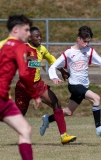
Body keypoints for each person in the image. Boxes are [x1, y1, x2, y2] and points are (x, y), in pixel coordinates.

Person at [41, 25, 101, 137]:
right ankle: (98, 128)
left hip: (83, 86)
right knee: (96, 98)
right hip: (74, 85)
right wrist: (54, 77)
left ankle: (48, 119)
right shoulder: (69, 53)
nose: (86, 44)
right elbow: (53, 65)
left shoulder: (90, 51)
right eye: (84, 41)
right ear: (78, 38)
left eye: (88, 42)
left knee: (68, 112)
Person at [15, 26, 76, 144]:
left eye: (40, 36)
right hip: (23, 87)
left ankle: (64, 136)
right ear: (29, 38)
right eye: (36, 36)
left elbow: (52, 60)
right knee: (19, 115)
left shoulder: (42, 49)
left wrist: (62, 71)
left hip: (38, 85)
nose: (39, 38)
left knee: (56, 103)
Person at [0, 14, 41, 160]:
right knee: (25, 131)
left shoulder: (4, 44)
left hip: (3, 99)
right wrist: (35, 95)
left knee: (25, 130)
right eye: (27, 30)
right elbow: (23, 74)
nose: (29, 34)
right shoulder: (19, 46)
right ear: (16, 30)